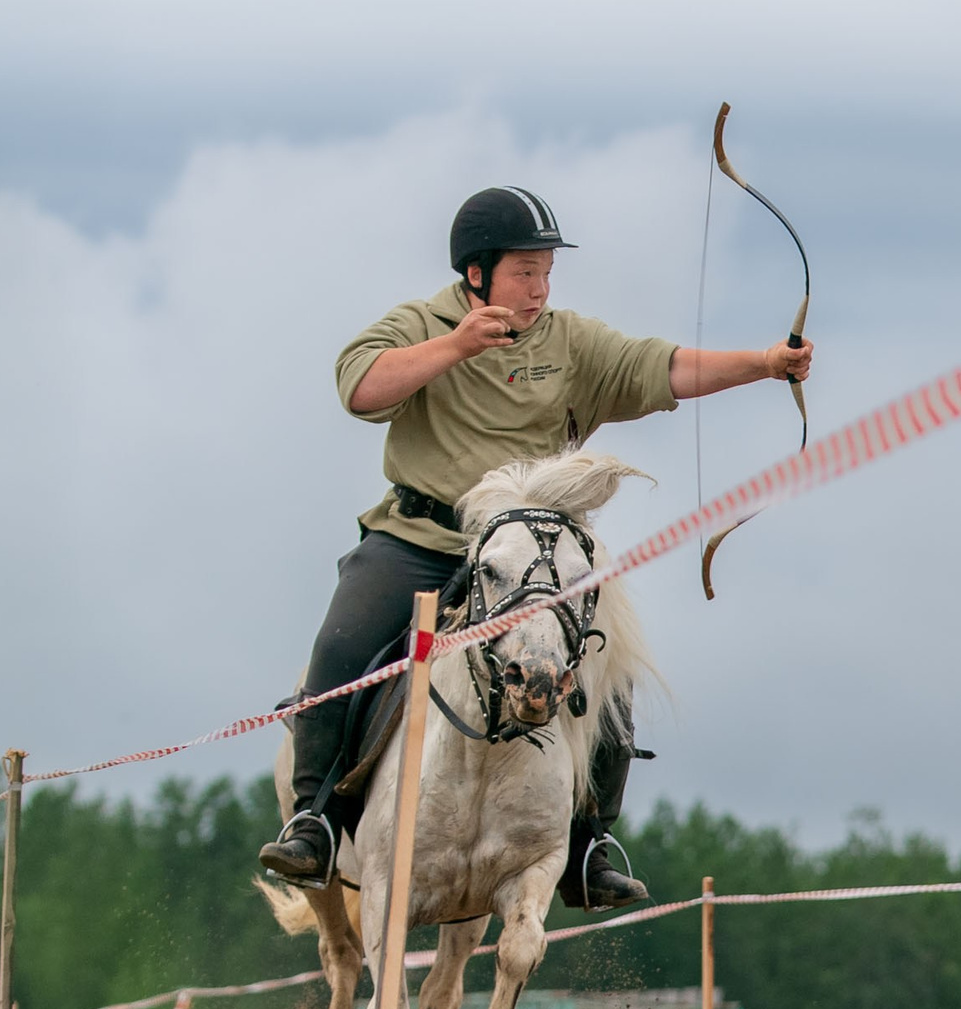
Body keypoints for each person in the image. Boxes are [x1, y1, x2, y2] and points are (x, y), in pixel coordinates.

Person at [257, 188, 817, 908]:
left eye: (547, 272)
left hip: (532, 559)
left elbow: (665, 366)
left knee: (611, 668)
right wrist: (456, 346)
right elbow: (359, 389)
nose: (540, 289)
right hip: (422, 539)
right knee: (340, 648)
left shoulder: (570, 342)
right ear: (476, 274)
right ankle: (315, 821)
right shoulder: (420, 324)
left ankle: (588, 844)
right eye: (525, 272)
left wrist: (766, 362)